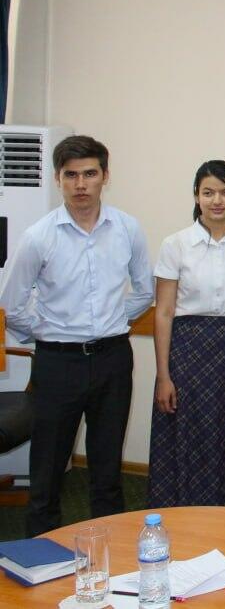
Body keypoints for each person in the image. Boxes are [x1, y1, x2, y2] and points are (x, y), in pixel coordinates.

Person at [0, 135, 152, 536]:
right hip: (57, 363)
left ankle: (111, 553)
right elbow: (11, 305)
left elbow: (145, 291)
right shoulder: (39, 236)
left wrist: (109, 322)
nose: (80, 184)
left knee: (107, 469)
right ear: (58, 179)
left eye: (89, 174)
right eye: (71, 175)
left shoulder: (127, 228)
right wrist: (51, 332)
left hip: (112, 360)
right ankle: (40, 557)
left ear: (105, 176)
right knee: (47, 470)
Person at [148, 160, 225, 507]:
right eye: (208, 192)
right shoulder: (176, 244)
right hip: (188, 352)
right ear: (196, 196)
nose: (217, 200)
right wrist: (163, 376)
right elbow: (164, 313)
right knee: (194, 438)